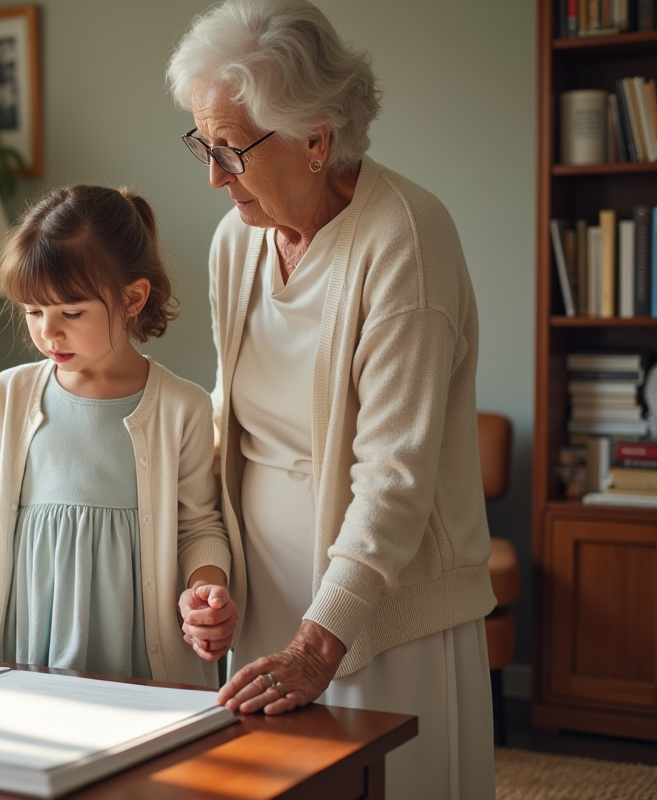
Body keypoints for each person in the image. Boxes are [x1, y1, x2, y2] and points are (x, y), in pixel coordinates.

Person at [165, 1, 497, 796]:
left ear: (315, 138)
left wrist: (321, 642)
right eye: (201, 145)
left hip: (378, 598)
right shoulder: (234, 241)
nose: (213, 175)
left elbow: (394, 477)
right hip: (268, 587)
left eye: (230, 150)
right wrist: (209, 570)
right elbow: (228, 418)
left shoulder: (406, 239)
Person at [0, 184, 240, 687]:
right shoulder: (10, 395)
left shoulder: (183, 406)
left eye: (71, 313)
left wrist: (206, 590)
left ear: (133, 297)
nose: (48, 332)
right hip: (28, 645)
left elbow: (199, 526)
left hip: (143, 660)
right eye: (33, 312)